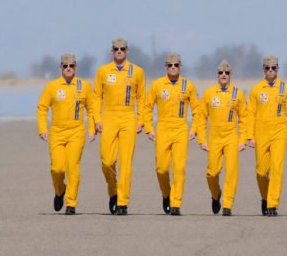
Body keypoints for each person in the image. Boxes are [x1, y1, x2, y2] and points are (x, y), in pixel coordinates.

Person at [93, 37, 146, 216]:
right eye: (116, 49)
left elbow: (142, 99)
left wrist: (141, 121)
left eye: (122, 48)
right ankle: (113, 191)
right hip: (108, 117)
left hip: (128, 117)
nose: (119, 51)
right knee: (107, 161)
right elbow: (96, 97)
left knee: (125, 163)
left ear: (127, 51)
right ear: (112, 51)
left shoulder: (137, 71)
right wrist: (96, 119)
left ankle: (123, 202)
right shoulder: (103, 71)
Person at [37, 53, 95, 215]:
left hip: (76, 131)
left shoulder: (84, 86)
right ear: (60, 67)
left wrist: (92, 130)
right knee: (57, 168)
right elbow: (42, 108)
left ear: (76, 67)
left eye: (71, 66)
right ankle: (60, 190)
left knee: (72, 167)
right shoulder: (52, 87)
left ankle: (71, 203)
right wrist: (43, 129)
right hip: (57, 132)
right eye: (65, 66)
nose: (68, 69)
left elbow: (91, 109)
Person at [144, 53, 200, 216]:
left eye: (176, 65)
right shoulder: (157, 85)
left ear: (180, 66)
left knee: (179, 168)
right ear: (165, 67)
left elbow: (197, 110)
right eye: (170, 65)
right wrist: (149, 128)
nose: (173, 68)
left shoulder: (188, 86)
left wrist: (194, 129)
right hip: (162, 129)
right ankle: (166, 194)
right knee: (161, 169)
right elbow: (148, 108)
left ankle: (176, 203)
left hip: (181, 129)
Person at [196, 60, 247, 216]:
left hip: (231, 134)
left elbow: (244, 118)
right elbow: (201, 118)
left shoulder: (238, 94)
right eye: (220, 73)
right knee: (212, 172)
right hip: (214, 135)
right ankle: (215, 194)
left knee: (231, 171)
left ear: (231, 75)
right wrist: (202, 140)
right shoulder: (209, 93)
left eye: (226, 73)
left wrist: (243, 139)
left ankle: (227, 205)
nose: (223, 75)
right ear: (217, 75)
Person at [247, 55, 287, 216]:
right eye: (268, 68)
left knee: (277, 170)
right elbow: (249, 114)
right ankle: (265, 198)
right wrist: (249, 136)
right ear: (263, 70)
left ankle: (273, 204)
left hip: (280, 132)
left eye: (273, 68)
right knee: (261, 171)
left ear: (278, 69)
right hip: (261, 133)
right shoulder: (256, 90)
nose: (271, 71)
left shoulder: (286, 89)